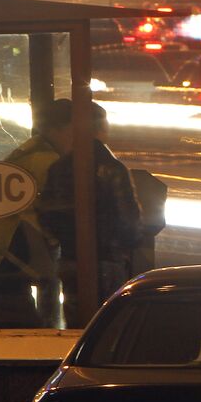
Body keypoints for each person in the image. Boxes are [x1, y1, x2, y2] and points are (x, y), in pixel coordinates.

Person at [0, 99, 74, 328]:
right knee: (15, 325)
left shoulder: (30, 150)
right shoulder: (48, 161)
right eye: (73, 132)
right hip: (4, 251)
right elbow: (55, 210)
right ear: (56, 130)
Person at [38, 103, 142, 324]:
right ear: (101, 127)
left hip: (69, 258)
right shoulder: (112, 167)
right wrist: (129, 244)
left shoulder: (59, 167)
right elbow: (128, 221)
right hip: (108, 259)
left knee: (76, 322)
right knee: (108, 324)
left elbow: (47, 214)